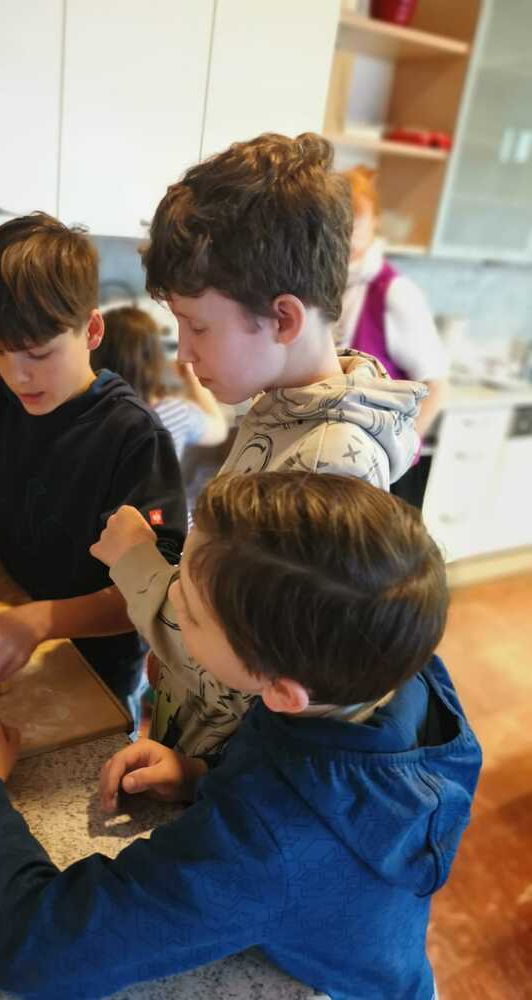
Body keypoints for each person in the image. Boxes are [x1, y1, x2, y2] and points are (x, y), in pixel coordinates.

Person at [0, 471, 481, 1000]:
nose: (171, 598)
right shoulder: (386, 677)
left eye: (189, 612)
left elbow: (34, 950)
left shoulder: (263, 844)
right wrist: (201, 774)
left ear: (281, 693)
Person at [129, 131, 427, 756]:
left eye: (197, 326)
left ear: (285, 319)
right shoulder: (283, 402)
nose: (184, 354)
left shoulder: (328, 462)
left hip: (231, 779)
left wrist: (137, 566)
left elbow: (252, 671)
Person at [0, 212, 187, 726]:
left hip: (97, 664)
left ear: (92, 330)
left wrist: (38, 622)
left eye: (37, 353)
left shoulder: (133, 436)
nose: (18, 376)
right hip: (6, 609)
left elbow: (155, 592)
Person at [335, 165, 449, 507]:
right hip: (339, 462)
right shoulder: (327, 284)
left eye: (356, 221)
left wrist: (399, 453)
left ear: (375, 222)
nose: (347, 232)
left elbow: (436, 385)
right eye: (338, 221)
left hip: (381, 469)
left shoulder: (395, 293)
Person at [92, 305, 228, 461]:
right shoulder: (172, 414)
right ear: (155, 358)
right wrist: (191, 377)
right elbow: (220, 430)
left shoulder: (87, 415)